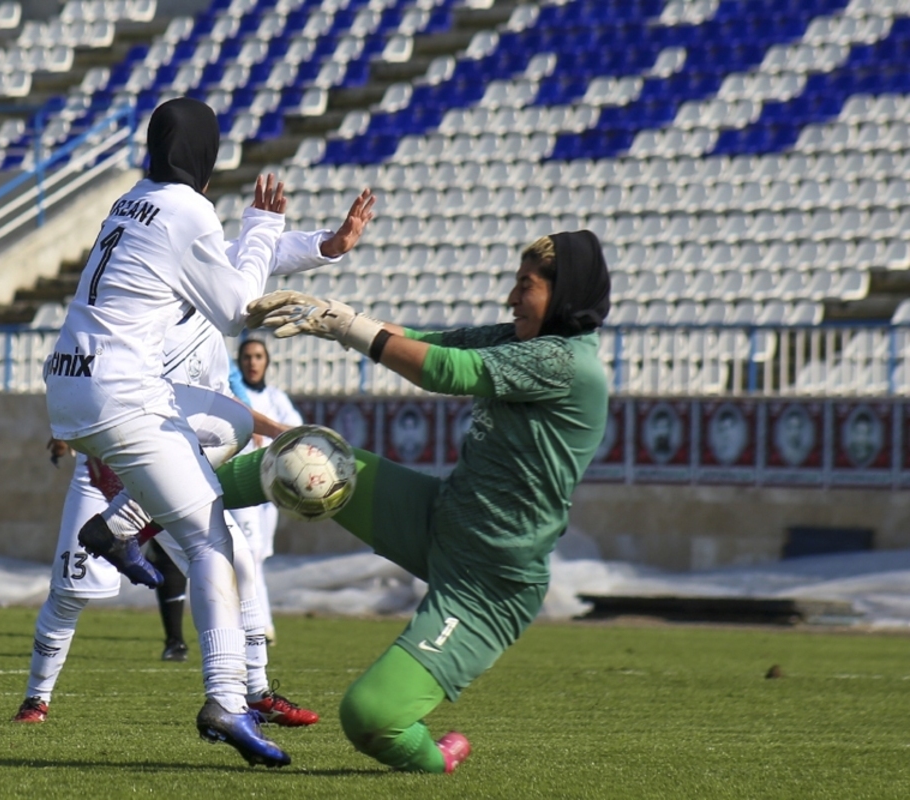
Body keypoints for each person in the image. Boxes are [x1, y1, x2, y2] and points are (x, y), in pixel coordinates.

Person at [42, 96, 371, 766]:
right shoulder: (187, 209)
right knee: (212, 541)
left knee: (230, 420)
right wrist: (260, 222)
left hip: (74, 380)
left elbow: (226, 263)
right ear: (206, 155)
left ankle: (119, 523)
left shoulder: (137, 199)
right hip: (121, 390)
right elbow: (239, 306)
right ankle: (226, 698)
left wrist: (317, 247)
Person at [224, 231, 611, 774]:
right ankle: (158, 504)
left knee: (369, 716)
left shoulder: (565, 362)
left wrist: (345, 327)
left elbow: (446, 371)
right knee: (307, 455)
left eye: (526, 286)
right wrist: (333, 314)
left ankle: (439, 760)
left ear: (566, 292)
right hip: (440, 518)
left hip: (490, 583)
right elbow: (431, 341)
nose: (511, 298)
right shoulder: (521, 341)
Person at [230, 338, 303, 643]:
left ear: (267, 361)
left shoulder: (276, 398)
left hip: (270, 491)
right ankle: (260, 625)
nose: (253, 362)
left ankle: (250, 623)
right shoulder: (232, 396)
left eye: (258, 356)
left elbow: (296, 430)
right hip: (243, 484)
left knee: (257, 556)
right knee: (250, 555)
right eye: (247, 357)